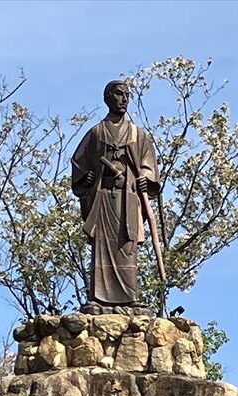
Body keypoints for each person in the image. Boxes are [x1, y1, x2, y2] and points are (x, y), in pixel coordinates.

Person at [71, 80, 161, 306]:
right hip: (103, 198)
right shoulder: (96, 133)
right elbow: (79, 164)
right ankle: (99, 297)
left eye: (127, 95)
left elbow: (149, 166)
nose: (124, 99)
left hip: (127, 199)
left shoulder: (137, 135)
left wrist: (145, 180)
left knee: (126, 246)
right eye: (119, 94)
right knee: (103, 246)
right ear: (108, 98)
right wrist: (87, 178)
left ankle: (129, 296)